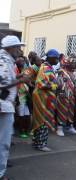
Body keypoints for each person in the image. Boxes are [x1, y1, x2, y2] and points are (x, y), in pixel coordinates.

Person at [0, 35, 28, 180]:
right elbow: (2, 84)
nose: (19, 50)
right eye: (17, 47)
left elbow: (5, 79)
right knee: (3, 142)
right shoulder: (4, 60)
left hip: (4, 105)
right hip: (3, 106)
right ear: (10, 48)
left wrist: (17, 78)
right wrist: (21, 80)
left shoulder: (5, 59)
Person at [31, 49, 59, 152]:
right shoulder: (46, 67)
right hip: (43, 99)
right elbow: (41, 84)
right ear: (51, 58)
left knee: (40, 120)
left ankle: (36, 142)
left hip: (44, 98)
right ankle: (41, 144)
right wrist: (56, 86)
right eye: (56, 58)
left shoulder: (47, 67)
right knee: (43, 121)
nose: (57, 60)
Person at [55, 58, 76, 137]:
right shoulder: (61, 72)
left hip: (71, 96)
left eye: (75, 63)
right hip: (63, 95)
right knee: (62, 111)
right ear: (68, 64)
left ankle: (70, 126)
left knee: (71, 111)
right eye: (73, 63)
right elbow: (58, 83)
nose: (75, 65)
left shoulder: (75, 73)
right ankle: (60, 128)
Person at [15, 57, 32, 138]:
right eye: (21, 61)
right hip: (20, 97)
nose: (24, 62)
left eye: (24, 61)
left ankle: (25, 130)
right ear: (17, 63)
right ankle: (21, 131)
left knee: (27, 116)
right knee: (21, 116)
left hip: (25, 97)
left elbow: (29, 82)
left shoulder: (25, 71)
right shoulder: (17, 72)